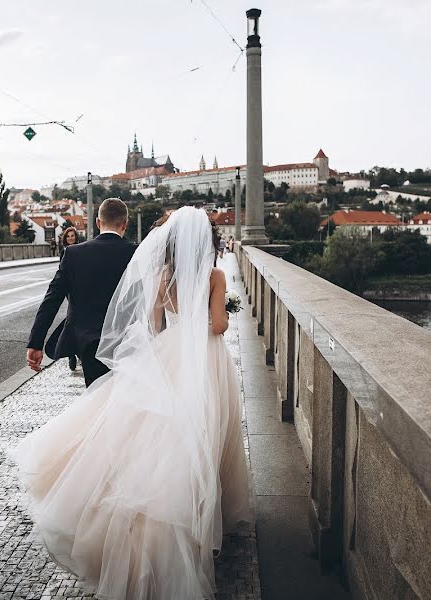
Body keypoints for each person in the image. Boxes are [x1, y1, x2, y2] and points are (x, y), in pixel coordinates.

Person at [14, 207, 253, 599]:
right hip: (205, 359)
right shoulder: (214, 276)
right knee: (209, 428)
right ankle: (210, 510)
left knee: (154, 431)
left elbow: (151, 322)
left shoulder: (161, 275)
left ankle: (144, 495)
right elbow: (219, 326)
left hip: (166, 352)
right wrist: (216, 310)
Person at [27, 199, 136, 388]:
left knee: (96, 399)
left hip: (88, 341)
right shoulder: (137, 253)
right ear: (125, 223)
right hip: (127, 340)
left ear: (98, 222)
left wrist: (36, 343)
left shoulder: (73, 254)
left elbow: (51, 300)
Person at [48, 227, 81, 372]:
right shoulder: (65, 252)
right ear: (65, 239)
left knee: (76, 317)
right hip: (70, 289)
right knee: (71, 317)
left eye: (73, 236)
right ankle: (71, 353)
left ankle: (76, 350)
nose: (71, 238)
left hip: (80, 288)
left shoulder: (81, 249)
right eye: (68, 237)